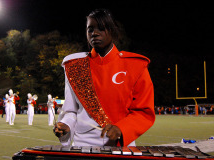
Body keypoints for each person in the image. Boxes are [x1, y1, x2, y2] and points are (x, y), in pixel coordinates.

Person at [54, 9, 155, 147]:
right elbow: (71, 110)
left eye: (101, 28)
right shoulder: (74, 66)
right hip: (82, 145)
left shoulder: (135, 66)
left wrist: (122, 129)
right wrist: (66, 125)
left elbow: (143, 112)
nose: (94, 33)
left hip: (120, 145)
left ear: (112, 31)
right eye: (90, 29)